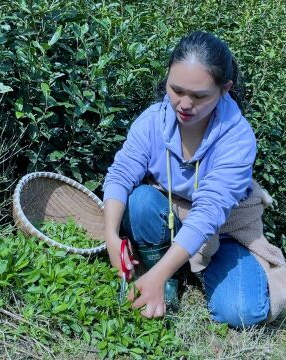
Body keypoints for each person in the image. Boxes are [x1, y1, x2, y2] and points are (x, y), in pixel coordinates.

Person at [102, 31, 270, 328]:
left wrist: (154, 277)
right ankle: (169, 273)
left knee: (242, 313)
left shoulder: (238, 137)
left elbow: (208, 214)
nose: (184, 104)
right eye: (176, 89)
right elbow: (121, 173)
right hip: (169, 215)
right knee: (140, 201)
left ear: (225, 89)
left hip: (226, 228)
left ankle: (180, 270)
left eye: (199, 95)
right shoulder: (153, 121)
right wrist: (111, 235)